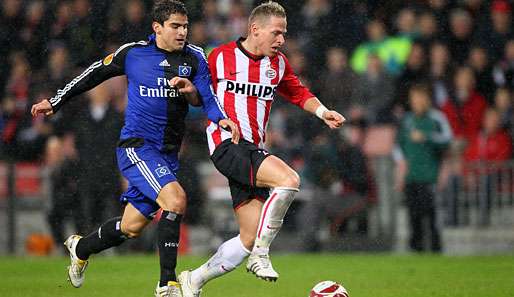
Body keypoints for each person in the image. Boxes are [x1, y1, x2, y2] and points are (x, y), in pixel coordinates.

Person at [30, 1, 239, 296]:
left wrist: (220, 118)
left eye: (186, 26)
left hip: (167, 153)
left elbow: (206, 95)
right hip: (137, 147)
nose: (183, 32)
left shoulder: (193, 57)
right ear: (157, 27)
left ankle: (81, 247)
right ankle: (167, 283)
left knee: (130, 227)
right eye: (175, 26)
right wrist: (55, 101)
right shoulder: (133, 53)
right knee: (176, 200)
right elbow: (92, 74)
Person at [177, 2, 345, 296]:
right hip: (228, 145)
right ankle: (262, 256)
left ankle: (193, 280)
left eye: (284, 33)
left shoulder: (277, 64)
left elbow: (298, 92)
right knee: (289, 180)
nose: (281, 40)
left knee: (248, 237)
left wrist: (322, 112)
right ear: (255, 29)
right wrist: (191, 93)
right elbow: (200, 96)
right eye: (276, 33)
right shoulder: (219, 57)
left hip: (253, 149)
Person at [396, 84, 452, 252]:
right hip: (411, 176)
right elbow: (398, 145)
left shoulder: (437, 118)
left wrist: (427, 137)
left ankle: (435, 249)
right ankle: (416, 249)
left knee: (431, 215)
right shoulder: (407, 120)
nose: (417, 102)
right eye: (414, 99)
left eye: (420, 98)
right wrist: (401, 167)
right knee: (414, 216)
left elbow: (448, 140)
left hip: (430, 176)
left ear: (427, 99)